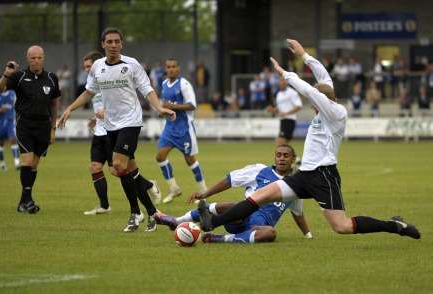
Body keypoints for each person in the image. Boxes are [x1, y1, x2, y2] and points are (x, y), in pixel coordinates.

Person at [197, 39, 421, 241]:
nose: (313, 102)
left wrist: (286, 74)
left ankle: (394, 225)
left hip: (324, 176)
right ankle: (211, 222)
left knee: (341, 226)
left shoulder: (336, 112)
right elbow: (323, 77)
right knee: (261, 195)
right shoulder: (326, 102)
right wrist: (304, 55)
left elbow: (311, 92)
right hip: (305, 174)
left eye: (317, 98)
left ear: (324, 100)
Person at [57, 28, 175, 232]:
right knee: (128, 170)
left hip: (131, 122)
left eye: (116, 41)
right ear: (102, 44)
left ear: (121, 44)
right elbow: (88, 92)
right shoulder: (97, 67)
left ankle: (135, 213)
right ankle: (152, 213)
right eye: (109, 41)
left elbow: (147, 89)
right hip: (111, 125)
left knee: (119, 166)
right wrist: (69, 108)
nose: (113, 45)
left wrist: (159, 108)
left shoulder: (132, 65)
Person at [155, 144, 312, 244]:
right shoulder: (260, 170)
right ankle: (177, 221)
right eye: (279, 155)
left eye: (286, 156)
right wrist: (205, 194)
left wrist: (308, 236)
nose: (281, 158)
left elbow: (298, 214)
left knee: (270, 233)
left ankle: (220, 239)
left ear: (292, 160)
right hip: (237, 217)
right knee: (234, 206)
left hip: (257, 228)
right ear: (274, 157)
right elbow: (230, 180)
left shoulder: (294, 186)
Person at [0, 45, 61, 214]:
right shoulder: (19, 76)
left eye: (39, 57)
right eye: (33, 58)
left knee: (34, 166)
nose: (36, 61)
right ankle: (28, 201)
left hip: (44, 127)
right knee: (27, 162)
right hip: (24, 125)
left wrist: (53, 128)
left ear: (43, 58)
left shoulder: (52, 78)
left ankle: (24, 202)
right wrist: (5, 75)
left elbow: (54, 105)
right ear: (27, 58)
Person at [156, 58, 207, 204]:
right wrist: (163, 110)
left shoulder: (184, 84)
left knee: (190, 160)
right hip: (169, 128)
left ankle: (203, 191)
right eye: (168, 67)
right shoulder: (164, 84)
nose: (171, 69)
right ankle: (174, 189)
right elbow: (165, 105)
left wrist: (172, 107)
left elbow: (192, 105)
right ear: (165, 69)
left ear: (178, 69)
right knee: (160, 157)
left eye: (173, 66)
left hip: (184, 128)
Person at [266, 77, 302, 146]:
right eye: (280, 81)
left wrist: (286, 113)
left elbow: (298, 106)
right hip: (283, 121)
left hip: (289, 120)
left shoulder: (292, 92)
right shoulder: (279, 94)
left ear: (286, 82)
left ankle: (294, 157)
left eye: (283, 81)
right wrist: (273, 110)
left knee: (280, 142)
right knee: (283, 144)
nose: (281, 83)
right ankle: (295, 157)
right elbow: (279, 109)